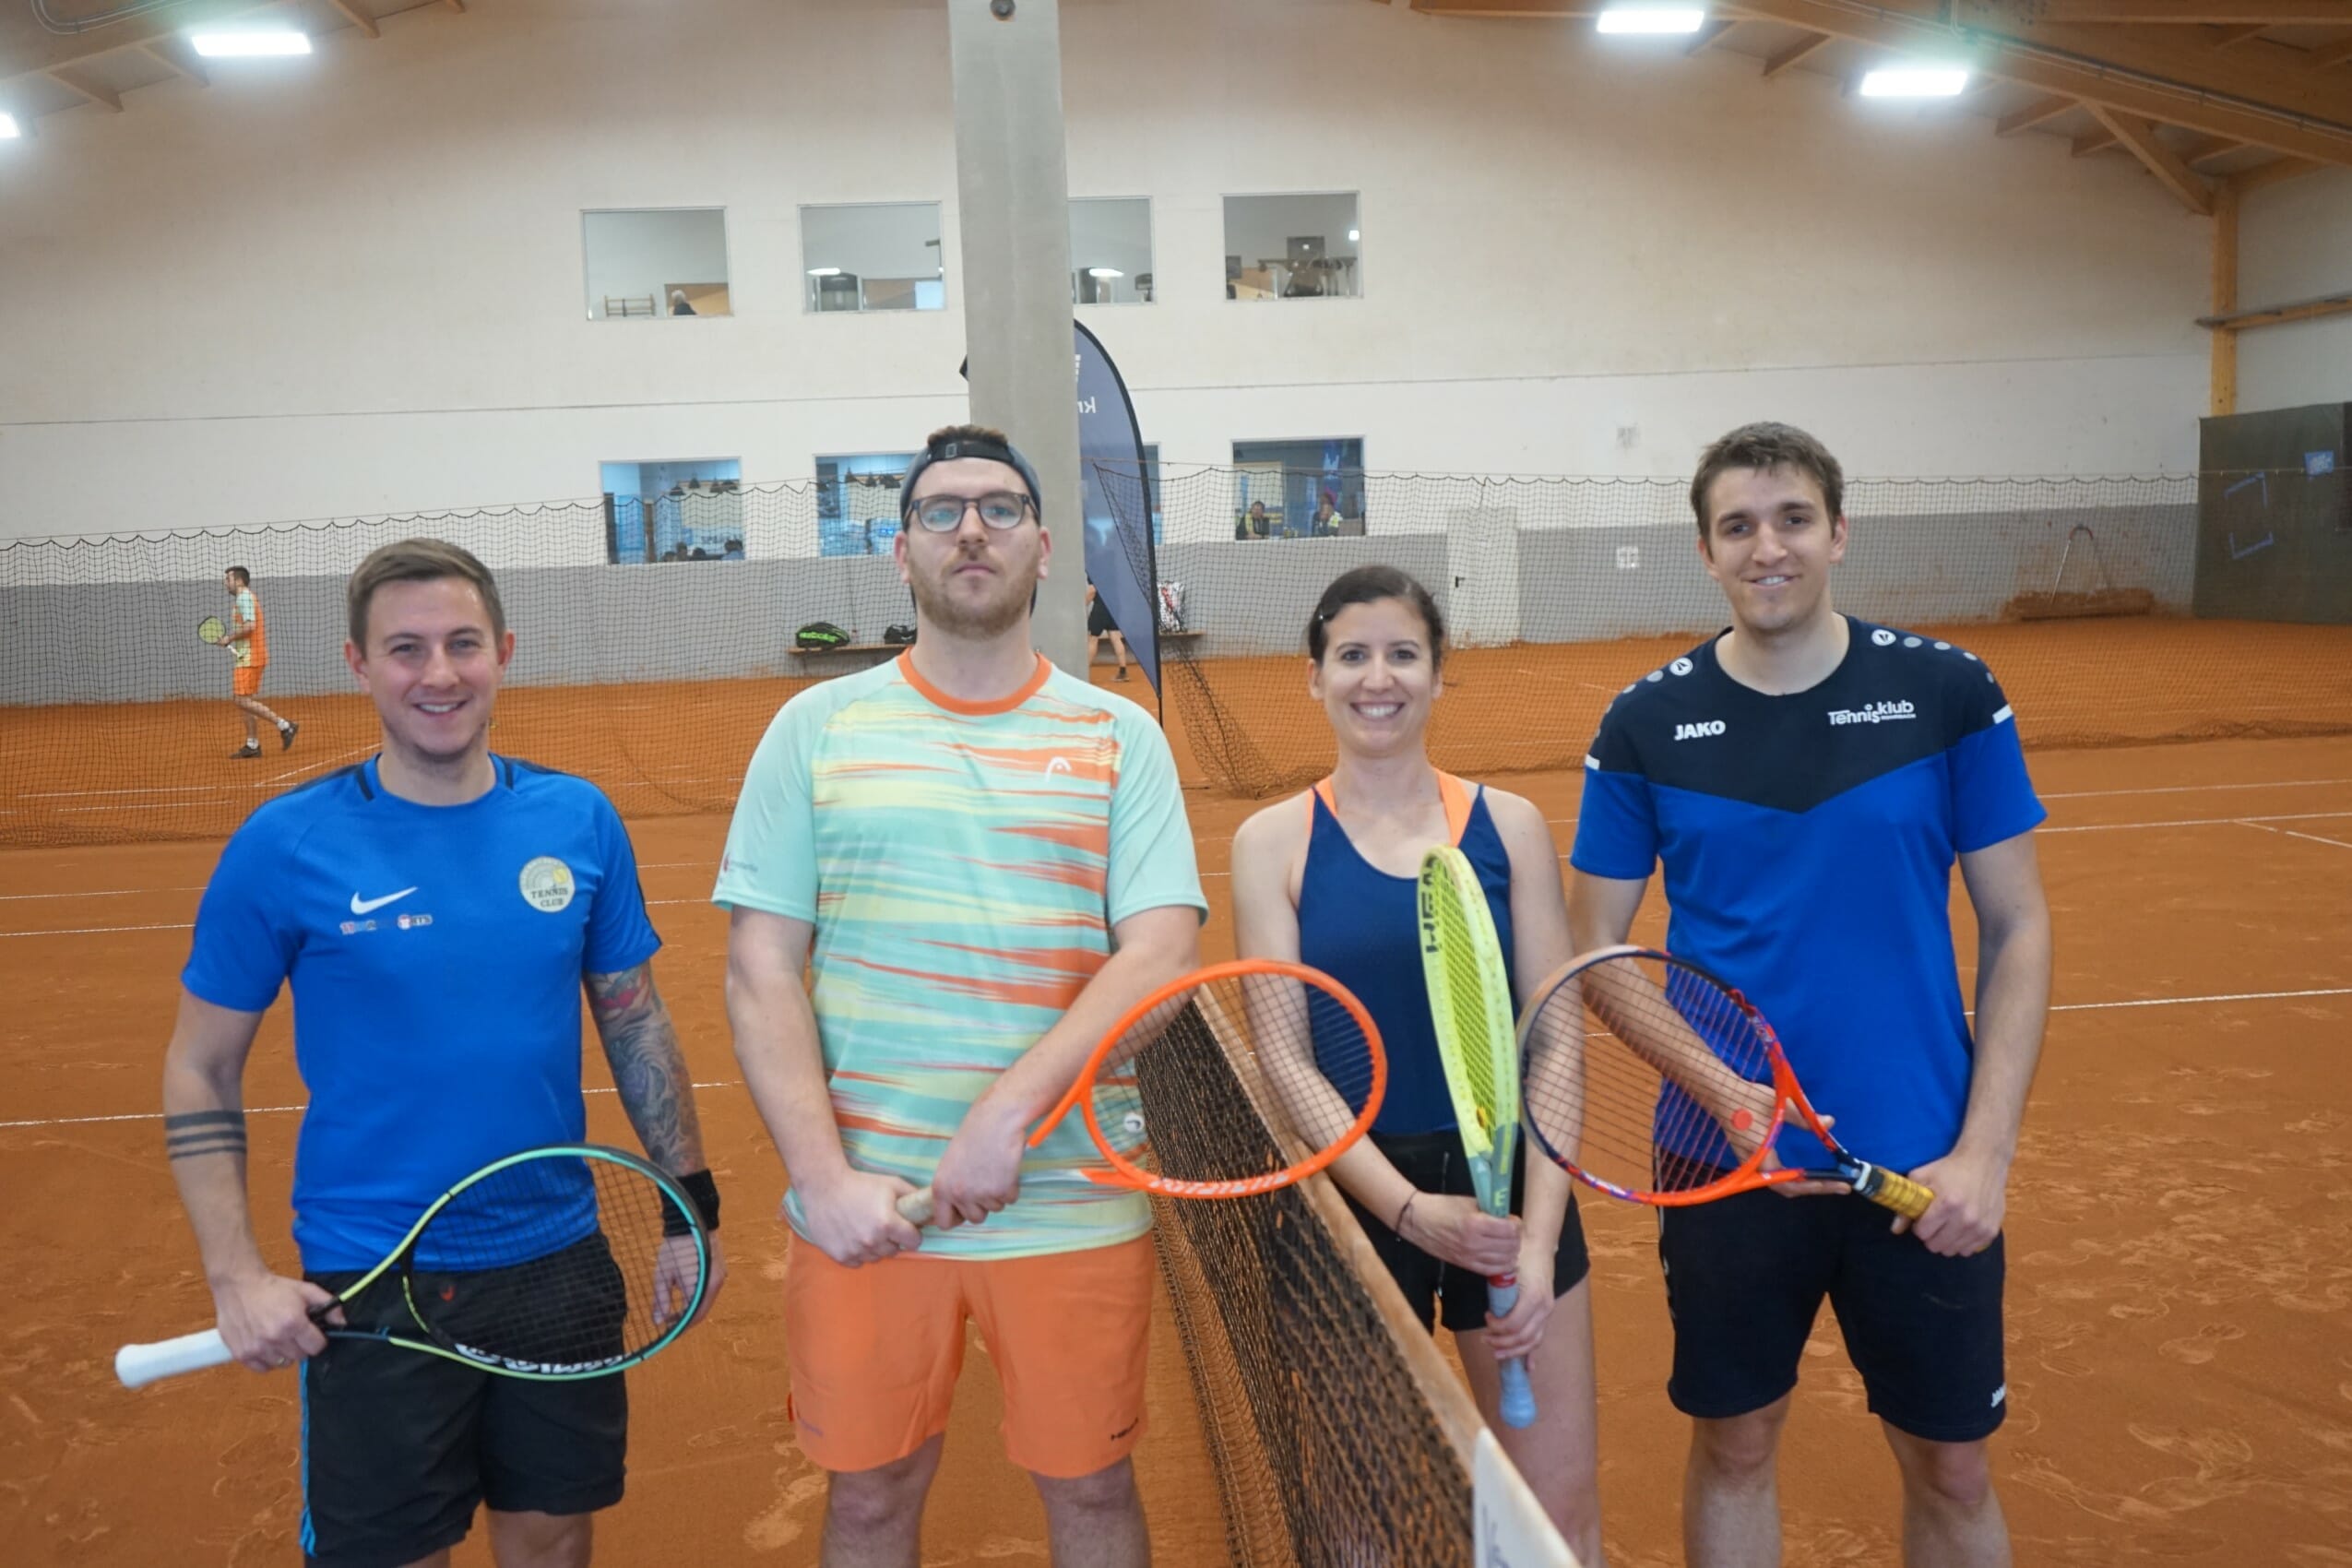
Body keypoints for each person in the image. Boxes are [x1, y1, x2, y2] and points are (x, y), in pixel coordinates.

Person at [163, 538, 730, 1568]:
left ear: (503, 652)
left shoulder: (577, 819)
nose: (439, 674)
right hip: (377, 1273)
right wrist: (234, 1274)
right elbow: (200, 1065)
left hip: (557, 1260)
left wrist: (690, 1209)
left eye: (464, 643)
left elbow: (634, 1018)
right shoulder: (286, 845)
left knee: (553, 1539)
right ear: (358, 664)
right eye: (406, 648)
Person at [718, 424, 1205, 1568]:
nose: (971, 529)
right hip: (868, 1210)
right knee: (871, 1498)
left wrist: (1007, 1113)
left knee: (1092, 1491)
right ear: (902, 551)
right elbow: (758, 968)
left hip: (1074, 1198)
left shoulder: (1120, 736)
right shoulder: (814, 729)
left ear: (1044, 546)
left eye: (998, 508)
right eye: (941, 510)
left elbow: (1160, 957)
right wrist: (824, 1182)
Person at [1568, 422, 2051, 1568]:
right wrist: (1729, 1093)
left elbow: (2020, 923)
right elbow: (1595, 945)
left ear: (1839, 531)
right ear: (1706, 551)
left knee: (1952, 1463)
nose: (1767, 547)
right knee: (1736, 1443)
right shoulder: (1644, 722)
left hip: (1921, 1154)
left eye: (1792, 519)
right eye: (1738, 526)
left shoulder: (1948, 692)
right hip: (1725, 1155)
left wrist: (1984, 1154)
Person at [1228, 564, 1606, 1564]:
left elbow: (1556, 1036)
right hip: (1356, 1202)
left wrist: (1535, 1244)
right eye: (1352, 654)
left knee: (1555, 1519)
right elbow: (1285, 1059)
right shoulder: (1271, 842)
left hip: (1510, 1195)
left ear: (1439, 674)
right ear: (1315, 676)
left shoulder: (1508, 825)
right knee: (1359, 1528)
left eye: (1403, 654)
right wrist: (1403, 1209)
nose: (1378, 677)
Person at [221, 566, 297, 759]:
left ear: (239, 581)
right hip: (248, 656)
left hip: (250, 657)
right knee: (245, 702)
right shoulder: (245, 598)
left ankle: (284, 725)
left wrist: (229, 638)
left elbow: (250, 626)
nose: (225, 583)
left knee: (240, 700)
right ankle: (252, 745)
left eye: (228, 579)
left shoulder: (244, 598)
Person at [1085, 576, 1131, 682]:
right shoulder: (1111, 569)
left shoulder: (1093, 570)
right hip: (1114, 606)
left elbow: (1092, 590)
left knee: (1092, 638)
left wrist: (1083, 604)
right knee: (1115, 637)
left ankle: (1084, 673)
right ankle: (1123, 672)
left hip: (1101, 609)